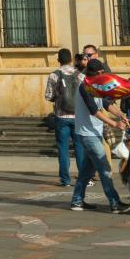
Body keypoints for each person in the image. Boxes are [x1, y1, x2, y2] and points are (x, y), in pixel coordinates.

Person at [70, 59, 129, 213]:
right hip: (87, 133)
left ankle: (76, 201)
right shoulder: (85, 86)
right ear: (97, 73)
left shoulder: (97, 85)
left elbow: (106, 104)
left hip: (94, 132)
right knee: (105, 169)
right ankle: (114, 203)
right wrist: (115, 124)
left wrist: (121, 115)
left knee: (87, 171)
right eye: (103, 73)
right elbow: (94, 111)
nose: (104, 76)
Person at [45, 48, 81, 186]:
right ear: (71, 59)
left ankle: (65, 180)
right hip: (78, 116)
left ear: (58, 60)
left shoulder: (54, 75)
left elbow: (48, 96)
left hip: (61, 116)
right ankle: (83, 178)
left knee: (63, 148)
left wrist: (57, 98)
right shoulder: (80, 75)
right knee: (79, 147)